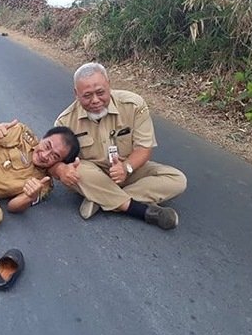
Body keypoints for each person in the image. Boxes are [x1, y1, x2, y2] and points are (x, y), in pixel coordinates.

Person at [51, 62, 187, 230]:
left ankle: (100, 200)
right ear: (76, 94)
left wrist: (126, 167)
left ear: (109, 84)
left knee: (177, 180)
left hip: (129, 169)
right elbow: (53, 160)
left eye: (100, 92)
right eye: (87, 96)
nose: (95, 100)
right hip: (92, 176)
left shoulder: (134, 105)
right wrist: (60, 170)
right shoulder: (64, 122)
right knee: (78, 170)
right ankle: (134, 207)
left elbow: (144, 149)